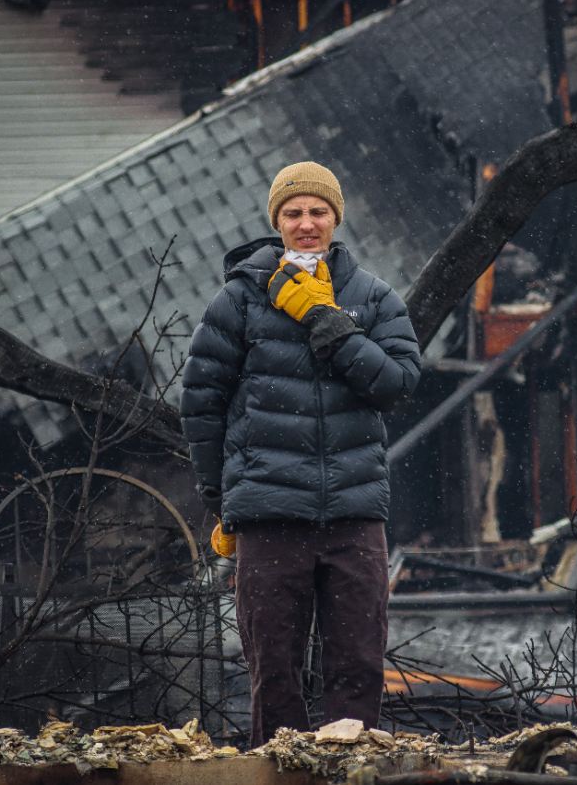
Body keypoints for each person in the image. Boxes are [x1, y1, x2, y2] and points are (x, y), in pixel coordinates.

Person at [180, 161, 421, 747]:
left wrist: (326, 321)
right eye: (293, 213)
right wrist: (220, 500)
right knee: (275, 671)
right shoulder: (239, 299)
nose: (306, 223)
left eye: (318, 211)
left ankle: (351, 770)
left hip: (355, 514)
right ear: (277, 222)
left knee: (358, 666)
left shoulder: (371, 296)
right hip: (267, 515)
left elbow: (396, 384)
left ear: (336, 218)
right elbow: (201, 406)